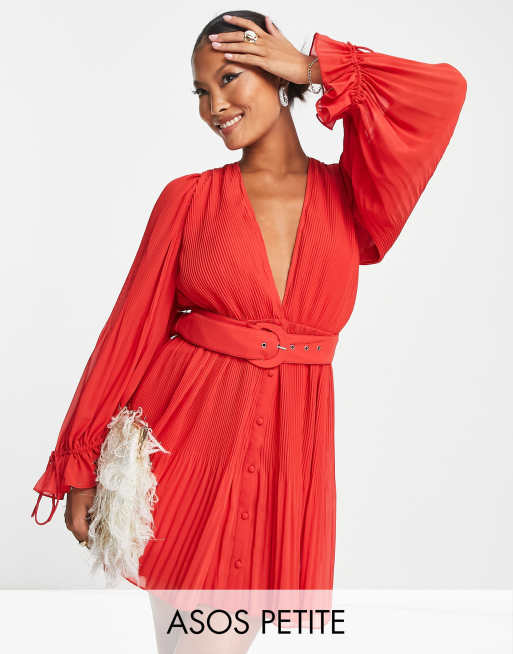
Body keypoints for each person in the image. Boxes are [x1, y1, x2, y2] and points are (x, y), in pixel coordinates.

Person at [30, 9, 467, 653]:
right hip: (186, 443)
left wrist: (313, 67)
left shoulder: (354, 197)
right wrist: (80, 460)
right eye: (201, 91)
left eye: (229, 78)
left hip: (290, 452)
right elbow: (129, 331)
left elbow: (442, 92)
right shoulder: (187, 199)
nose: (214, 106)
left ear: (275, 72)